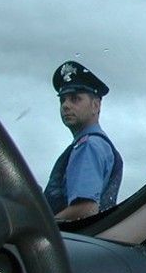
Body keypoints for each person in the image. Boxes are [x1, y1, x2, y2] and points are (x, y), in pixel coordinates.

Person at [44, 60, 123, 220]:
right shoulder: (96, 144)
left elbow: (86, 209)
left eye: (75, 99)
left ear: (95, 106)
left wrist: (43, 228)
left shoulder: (88, 145)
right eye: (62, 100)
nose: (65, 105)